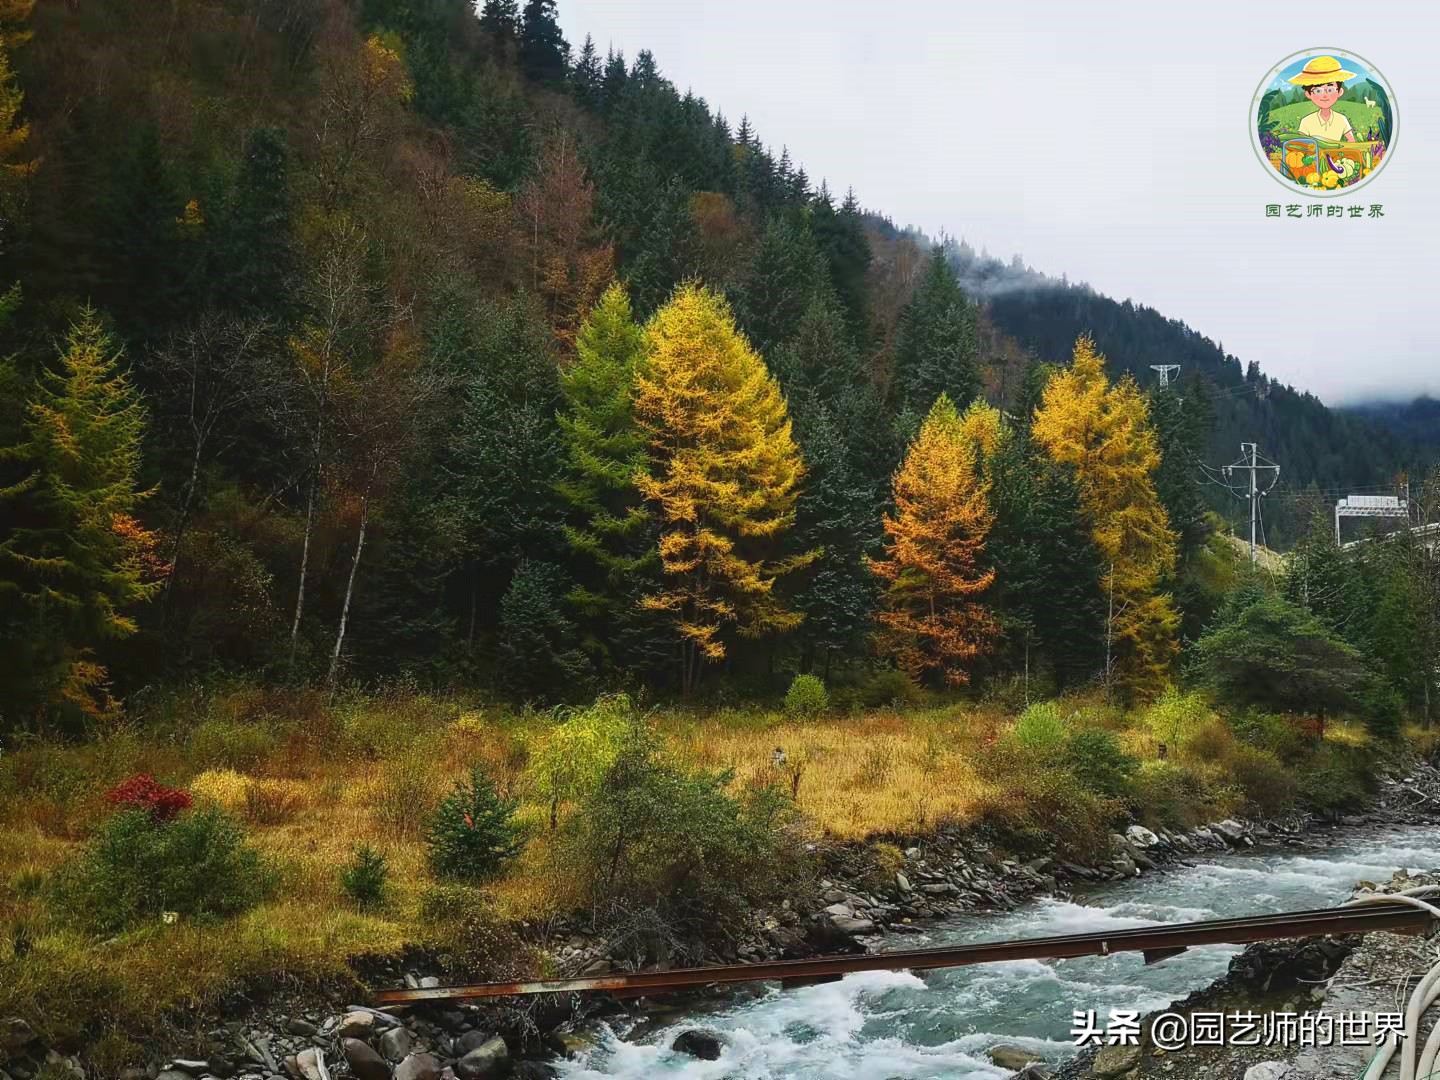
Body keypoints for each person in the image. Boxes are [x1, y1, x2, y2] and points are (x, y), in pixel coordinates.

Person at [1289, 55, 1356, 143]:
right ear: (1308, 94)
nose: (1324, 95)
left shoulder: (1341, 119)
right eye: (1318, 91)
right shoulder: (1306, 121)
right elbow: (1301, 144)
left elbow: (1351, 140)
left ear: (1339, 92)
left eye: (1330, 90)